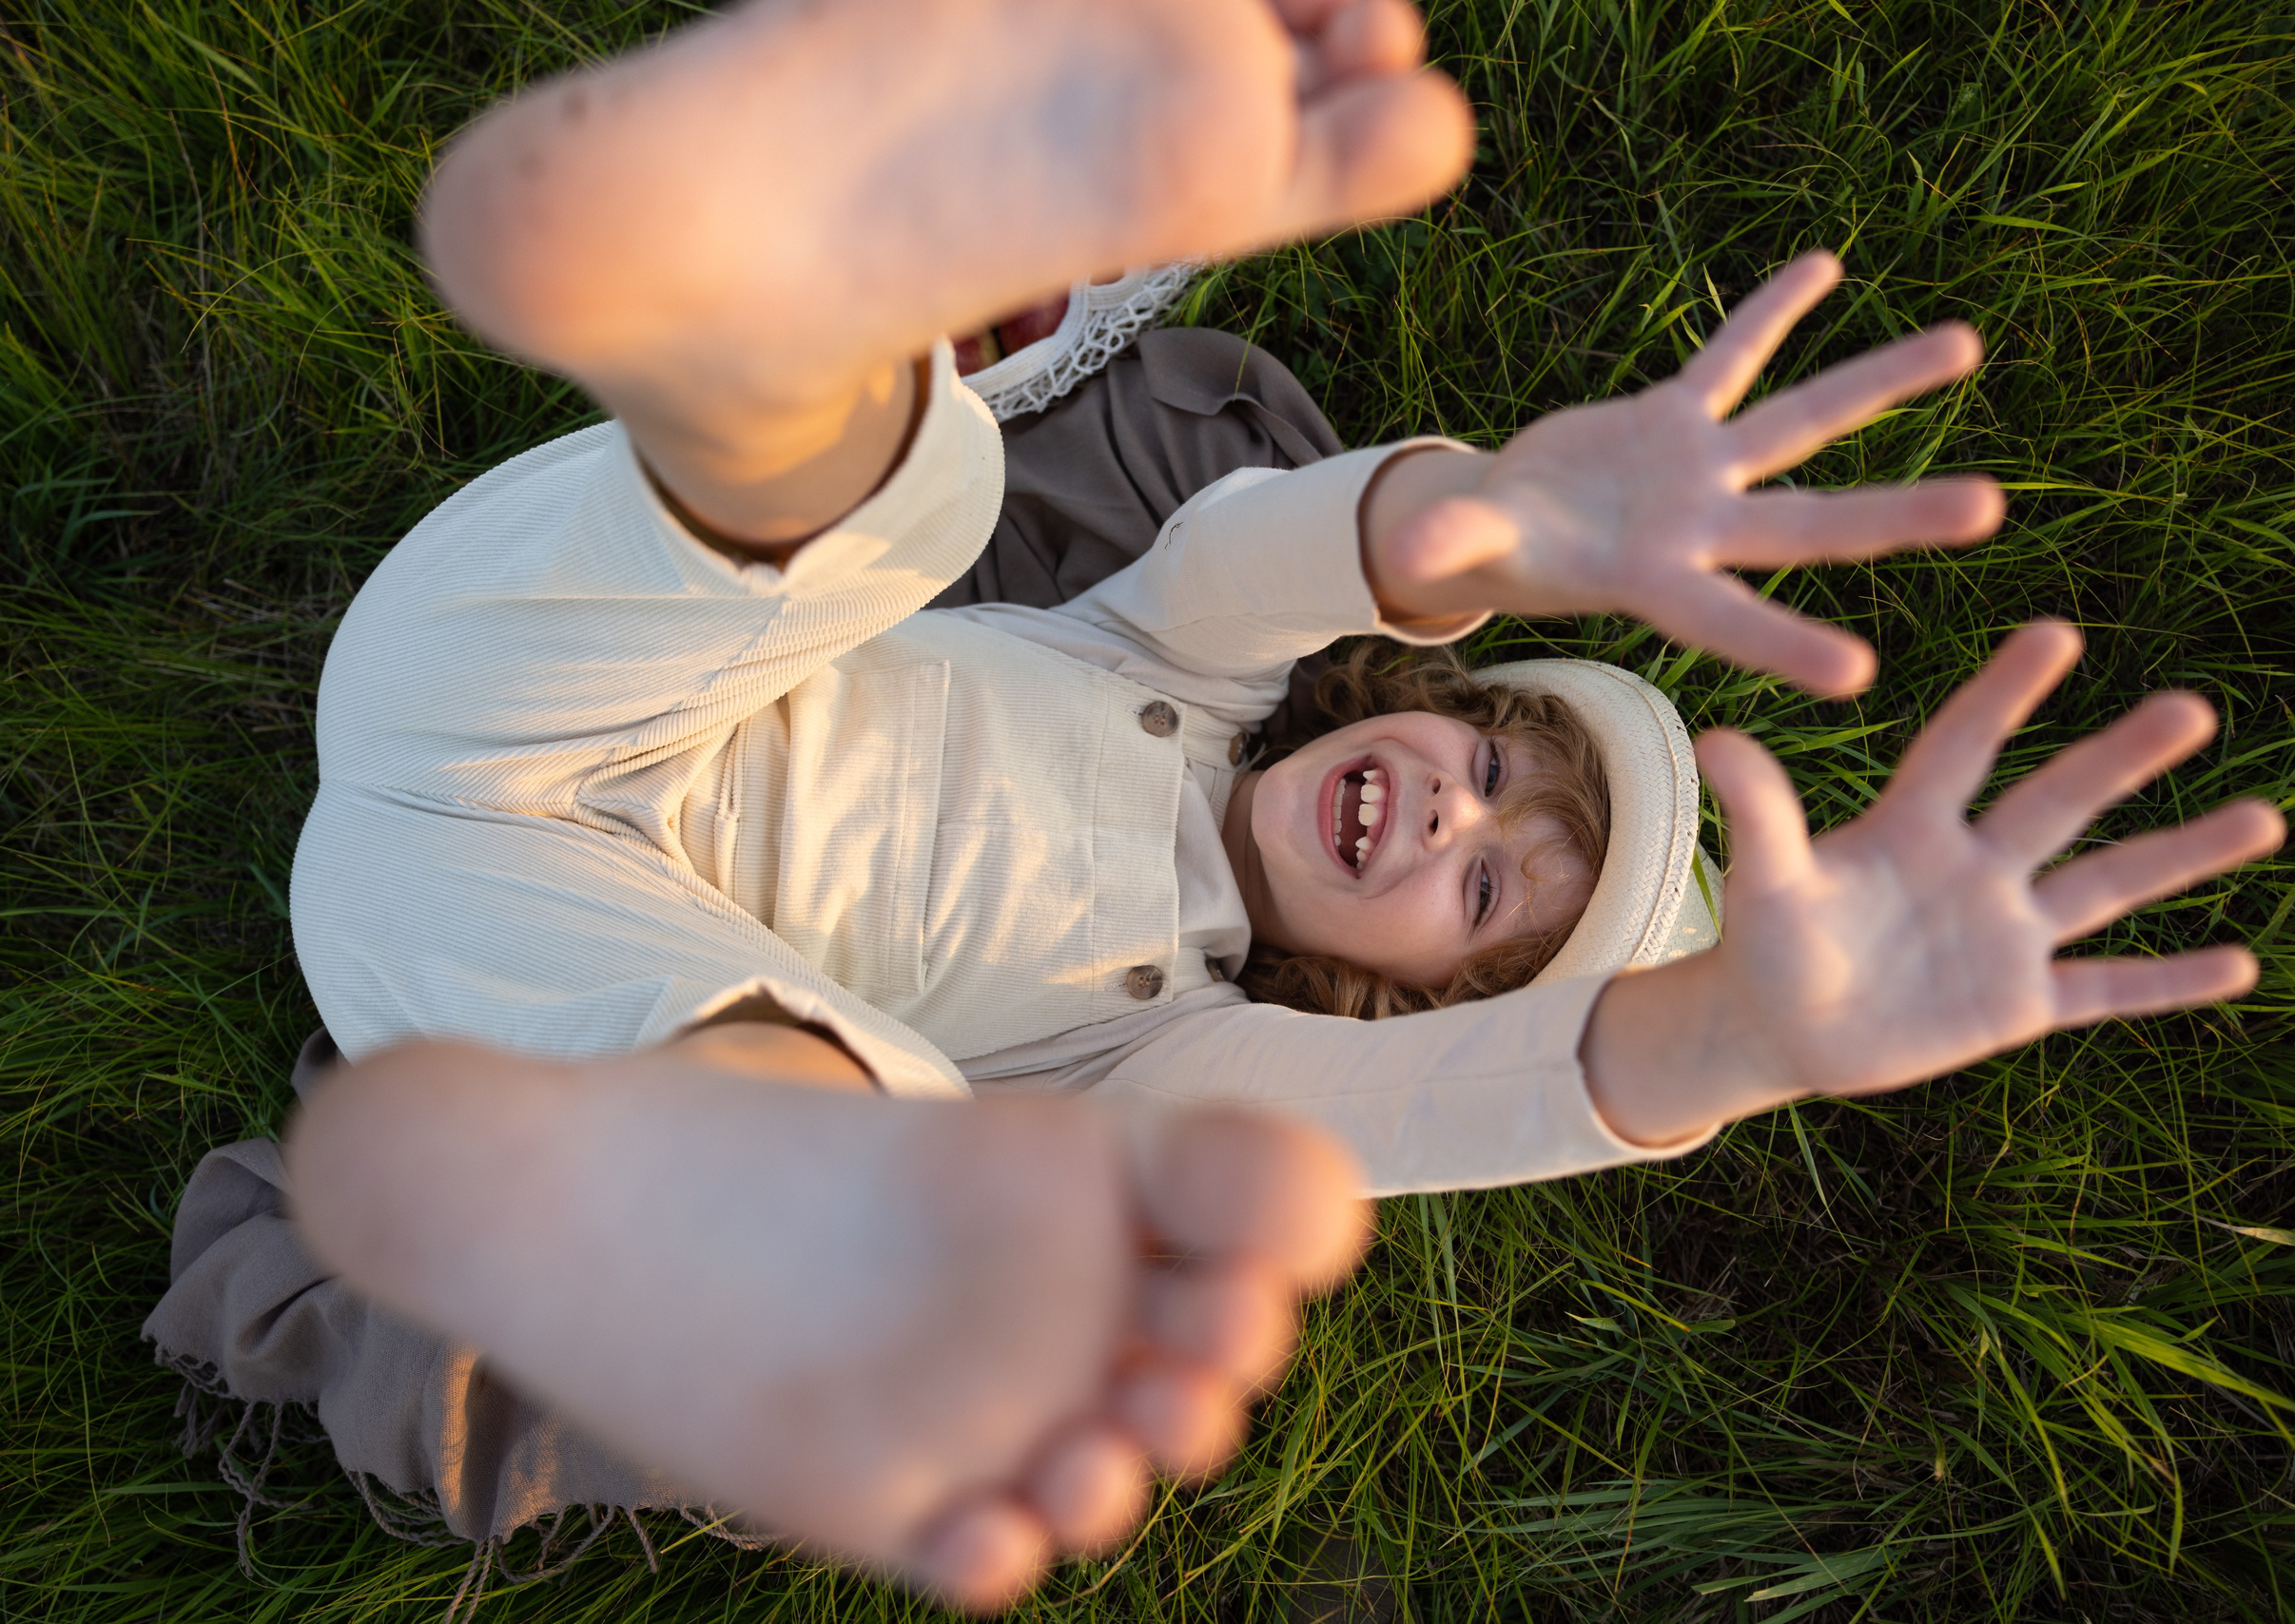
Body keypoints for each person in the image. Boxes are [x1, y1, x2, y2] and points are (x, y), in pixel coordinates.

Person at [142, 0, 2282, 1611]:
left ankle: (735, 1222)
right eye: (1488, 754)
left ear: (1412, 1005)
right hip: (519, 667)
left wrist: (1741, 1039)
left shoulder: (1188, 1057)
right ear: (1416, 700)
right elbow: (1317, 547)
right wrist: (1511, 511)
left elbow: (1509, 1097)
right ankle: (773, 330)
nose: (1444, 814)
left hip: (495, 957)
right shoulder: (1179, 660)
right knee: (924, 500)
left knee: (890, 1114)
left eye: (1486, 896)